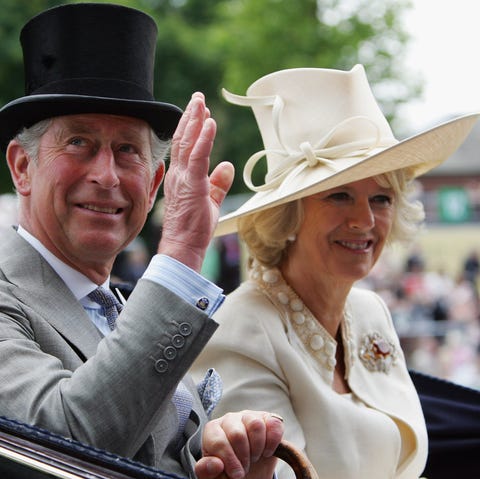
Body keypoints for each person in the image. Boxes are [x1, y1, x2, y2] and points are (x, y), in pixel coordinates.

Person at [0, 4, 285, 479]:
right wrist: (181, 256)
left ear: (154, 184)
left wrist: (237, 459)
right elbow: (69, 448)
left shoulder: (130, 307)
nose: (106, 176)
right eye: (78, 143)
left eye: (127, 150)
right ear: (22, 168)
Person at [191, 65, 480, 479]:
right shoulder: (240, 329)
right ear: (287, 216)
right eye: (340, 196)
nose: (364, 220)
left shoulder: (368, 310)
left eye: (381, 199)